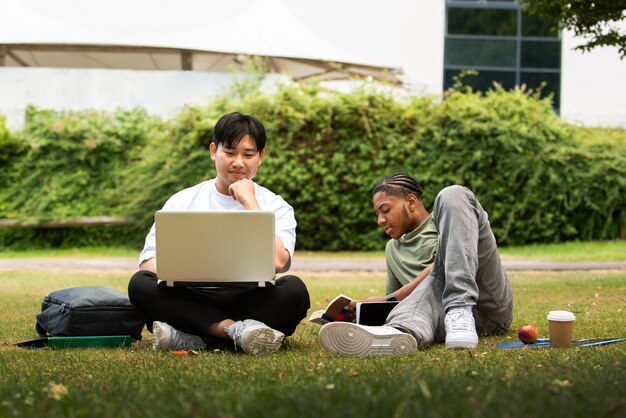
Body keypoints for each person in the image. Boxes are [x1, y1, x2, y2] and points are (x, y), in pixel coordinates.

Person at [128, 112, 310, 355]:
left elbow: (278, 262)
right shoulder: (183, 200)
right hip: (191, 296)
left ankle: (194, 336)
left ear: (261, 157)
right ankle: (237, 332)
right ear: (214, 151)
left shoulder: (275, 205)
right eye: (230, 152)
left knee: (294, 290)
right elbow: (148, 262)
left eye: (248, 154)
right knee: (140, 284)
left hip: (249, 297)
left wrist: (250, 203)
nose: (238, 162)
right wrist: (192, 269)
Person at [319, 173, 513, 355]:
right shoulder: (392, 250)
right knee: (405, 317)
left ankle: (459, 307)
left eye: (385, 210)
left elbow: (439, 269)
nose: (380, 220)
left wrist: (387, 298)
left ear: (411, 202)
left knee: (453, 194)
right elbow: (398, 303)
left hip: (487, 303)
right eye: (377, 213)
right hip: (439, 320)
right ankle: (398, 333)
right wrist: (365, 311)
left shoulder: (447, 219)